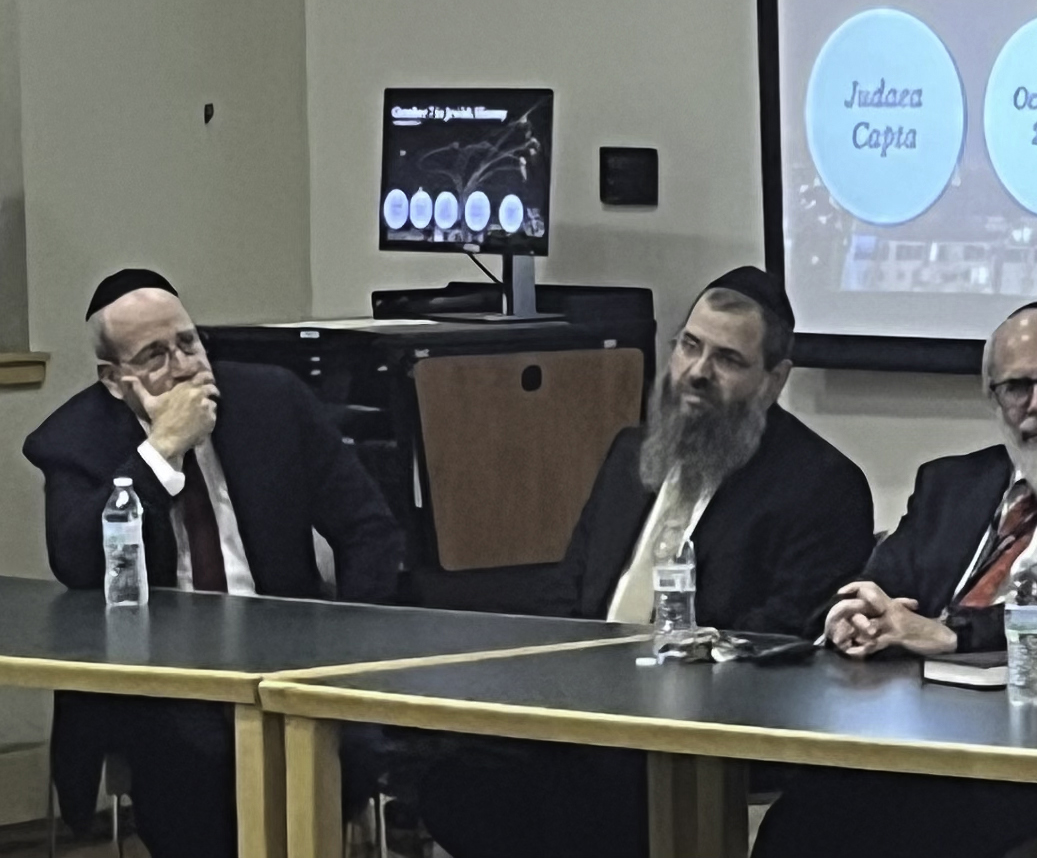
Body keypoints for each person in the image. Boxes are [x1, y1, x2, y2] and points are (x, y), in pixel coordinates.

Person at [417, 265, 874, 858]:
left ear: (773, 379)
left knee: (575, 799)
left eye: (728, 360)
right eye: (689, 347)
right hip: (584, 715)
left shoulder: (820, 485)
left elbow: (781, 638)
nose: (696, 373)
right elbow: (571, 590)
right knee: (454, 777)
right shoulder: (632, 452)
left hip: (698, 735)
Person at [752, 300, 1037, 858]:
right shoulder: (950, 484)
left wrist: (955, 635)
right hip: (923, 740)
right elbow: (882, 581)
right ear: (993, 399)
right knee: (799, 823)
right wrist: (855, 616)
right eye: (1015, 388)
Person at [23, 269, 403, 858]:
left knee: (343, 753)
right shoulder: (73, 440)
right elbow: (76, 562)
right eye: (153, 355)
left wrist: (348, 649)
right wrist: (161, 452)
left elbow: (369, 530)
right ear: (114, 380)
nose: (182, 366)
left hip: (290, 662)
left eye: (188, 342)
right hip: (160, 676)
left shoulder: (273, 402)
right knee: (193, 766)